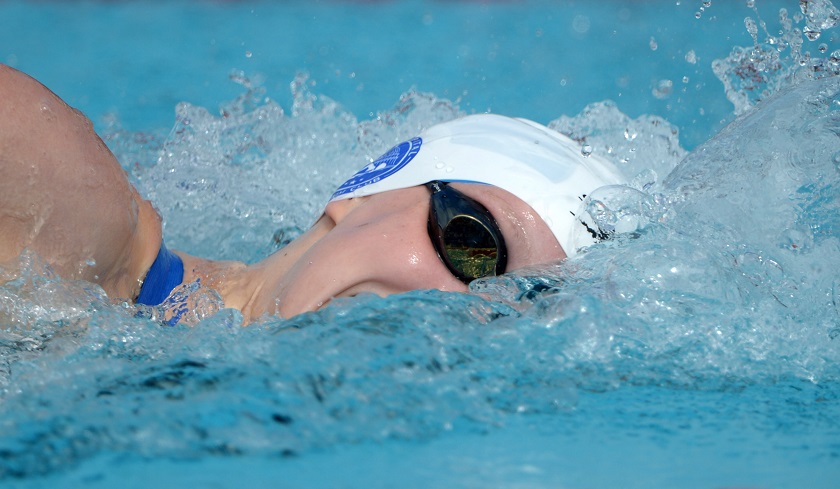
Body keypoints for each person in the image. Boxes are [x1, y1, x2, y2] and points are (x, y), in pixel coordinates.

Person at [0, 64, 623, 324]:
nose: (453, 308)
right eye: (473, 246)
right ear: (360, 192)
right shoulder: (72, 222)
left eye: (510, 309)